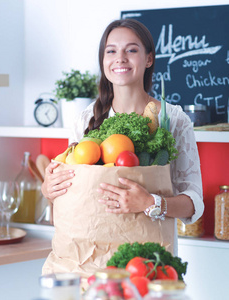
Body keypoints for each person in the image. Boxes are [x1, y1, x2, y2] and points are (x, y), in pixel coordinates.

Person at [41, 19, 204, 255]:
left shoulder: (174, 120)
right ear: (103, 61)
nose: (120, 58)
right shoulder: (85, 119)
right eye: (111, 51)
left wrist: (151, 203)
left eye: (131, 50)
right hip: (91, 254)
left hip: (148, 257)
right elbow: (71, 190)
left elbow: (194, 204)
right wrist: (49, 188)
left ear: (149, 59)